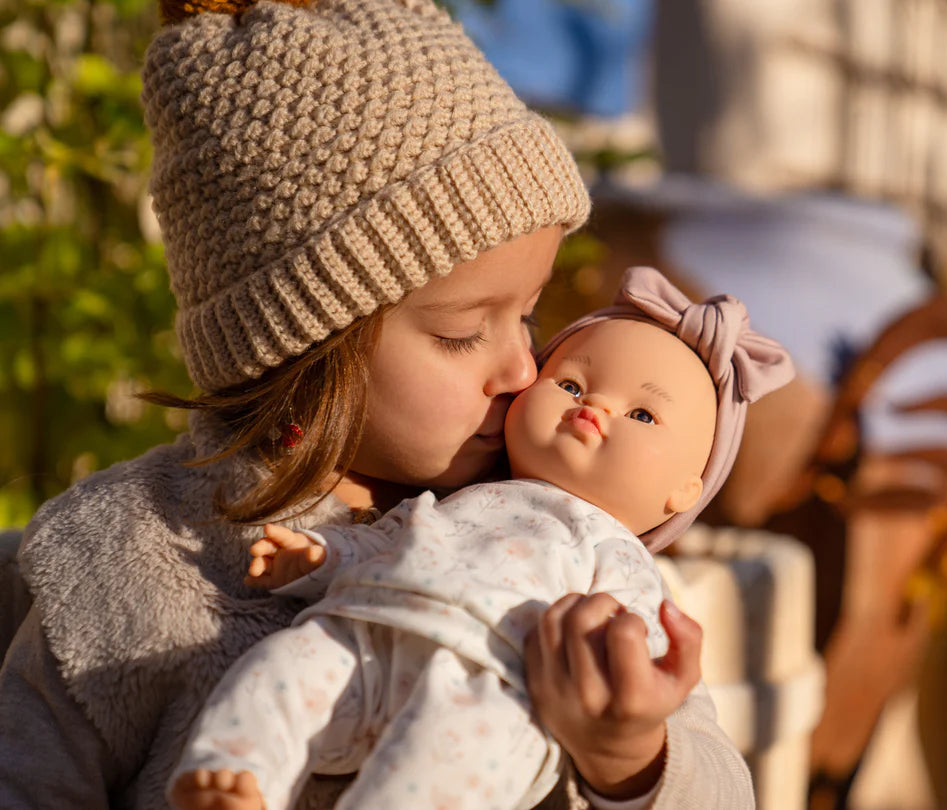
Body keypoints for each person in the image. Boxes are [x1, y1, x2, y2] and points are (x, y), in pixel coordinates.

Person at [0, 1, 754, 808]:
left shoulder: (538, 528)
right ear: (302, 346)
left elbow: (720, 786)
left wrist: (629, 756)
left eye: (529, 316)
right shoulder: (130, 556)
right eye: (466, 333)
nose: (521, 366)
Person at [167, 267, 794, 810]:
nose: (592, 409)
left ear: (685, 490)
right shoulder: (456, 501)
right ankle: (233, 771)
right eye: (571, 384)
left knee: (441, 770)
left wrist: (628, 742)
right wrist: (323, 557)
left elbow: (695, 749)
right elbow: (398, 542)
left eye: (641, 414)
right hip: (369, 634)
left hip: (490, 688)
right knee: (284, 667)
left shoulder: (620, 562)